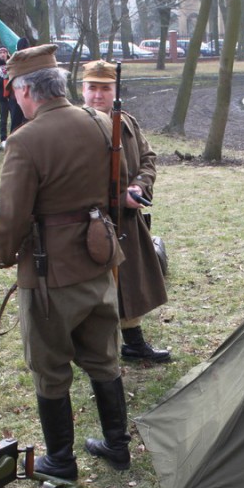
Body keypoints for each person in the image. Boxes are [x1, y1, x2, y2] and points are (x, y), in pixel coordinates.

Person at [0, 45, 131, 480]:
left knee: (49, 369)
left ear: (27, 90)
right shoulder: (101, 122)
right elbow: (119, 183)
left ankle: (61, 460)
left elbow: (11, 215)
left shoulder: (26, 140)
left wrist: (2, 253)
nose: (13, 98)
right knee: (104, 357)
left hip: (50, 272)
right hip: (99, 258)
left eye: (14, 90)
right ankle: (116, 443)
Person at [79, 60, 170, 364]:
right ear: (83, 89)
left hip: (127, 222)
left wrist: (139, 187)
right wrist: (117, 197)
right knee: (95, 293)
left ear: (114, 90)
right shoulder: (74, 127)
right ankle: (95, 351)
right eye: (92, 87)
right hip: (90, 225)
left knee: (129, 285)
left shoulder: (127, 122)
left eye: (105, 88)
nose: (98, 95)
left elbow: (148, 158)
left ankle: (133, 343)